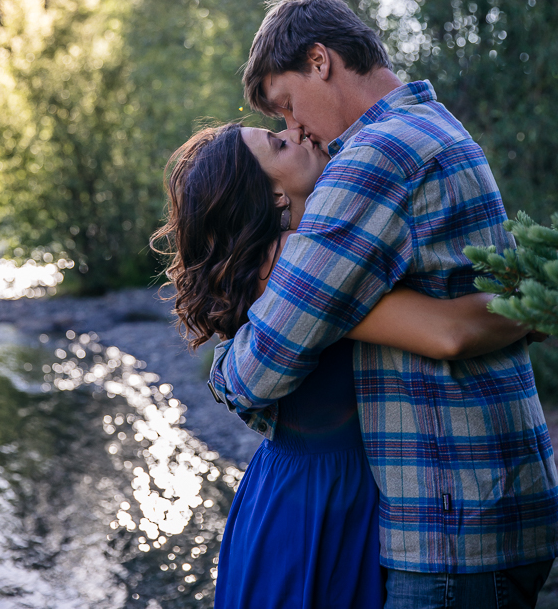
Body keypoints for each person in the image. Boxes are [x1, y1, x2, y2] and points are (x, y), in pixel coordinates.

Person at [208, 0, 558, 609]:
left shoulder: (373, 156)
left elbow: (254, 371)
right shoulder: (437, 123)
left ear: (320, 60)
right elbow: (472, 314)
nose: (296, 128)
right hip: (497, 495)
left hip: (450, 519)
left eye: (288, 104)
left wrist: (309, 300)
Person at [156, 121, 540, 609]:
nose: (296, 133)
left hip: (336, 491)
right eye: (278, 144)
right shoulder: (289, 263)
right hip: (314, 507)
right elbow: (449, 332)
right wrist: (535, 304)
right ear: (273, 195)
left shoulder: (312, 250)